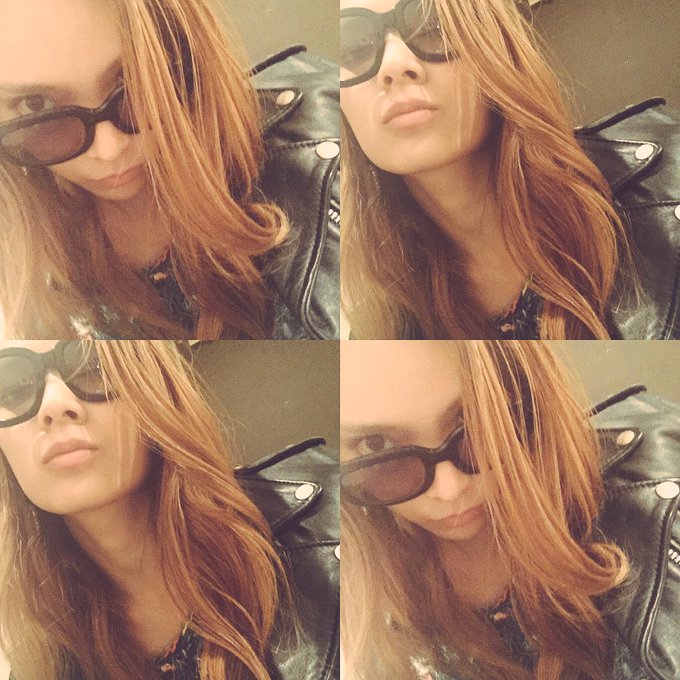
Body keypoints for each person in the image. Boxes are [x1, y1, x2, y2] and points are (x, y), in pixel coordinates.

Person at [340, 0, 680, 339]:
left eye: (433, 27)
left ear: (496, 44)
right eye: (354, 48)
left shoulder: (669, 184)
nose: (395, 64)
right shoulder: (379, 333)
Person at [0, 340, 339, 680]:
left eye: (92, 367)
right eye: (13, 388)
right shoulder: (41, 666)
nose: (54, 405)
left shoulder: (334, 524)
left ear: (152, 385)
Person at [340, 340, 680, 679]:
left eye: (474, 418)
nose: (449, 490)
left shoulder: (652, 493)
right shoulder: (344, 602)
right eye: (376, 445)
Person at [0, 0, 339, 340]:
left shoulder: (318, 164)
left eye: (135, 78)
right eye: (36, 104)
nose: (109, 150)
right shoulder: (17, 265)